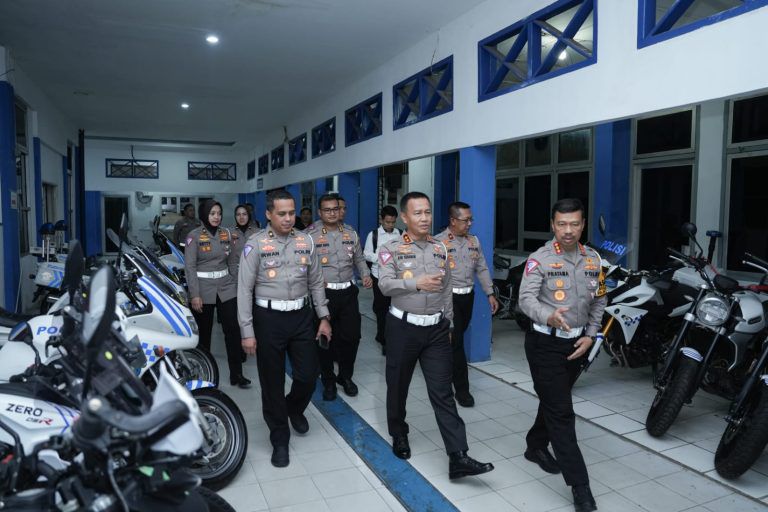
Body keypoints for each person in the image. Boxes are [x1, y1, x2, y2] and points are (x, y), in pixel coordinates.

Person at [378, 191, 494, 480]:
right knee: (398, 386)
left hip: (436, 329)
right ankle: (399, 433)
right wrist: (415, 283)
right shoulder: (391, 248)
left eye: (427, 212)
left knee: (443, 392)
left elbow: (446, 289)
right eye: (417, 213)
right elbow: (385, 285)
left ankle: (458, 456)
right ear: (404, 217)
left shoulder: (440, 248)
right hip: (403, 328)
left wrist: (449, 323)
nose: (424, 218)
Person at [518, 198, 605, 512]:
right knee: (562, 412)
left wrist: (590, 335)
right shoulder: (539, 259)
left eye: (574, 224)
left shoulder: (594, 259)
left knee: (554, 400)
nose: (568, 230)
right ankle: (580, 487)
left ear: (583, 225)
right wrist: (548, 316)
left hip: (577, 345)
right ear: (553, 225)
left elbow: (600, 299)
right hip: (545, 344)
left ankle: (535, 445)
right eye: (562, 224)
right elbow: (526, 300)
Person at [238, 189, 332, 468]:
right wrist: (247, 331)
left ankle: (293, 408)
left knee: (309, 374)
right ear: (269, 214)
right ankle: (279, 438)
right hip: (268, 319)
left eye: (292, 213)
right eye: (282, 214)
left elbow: (316, 282)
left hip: (301, 317)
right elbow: (244, 290)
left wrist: (323, 316)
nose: (288, 218)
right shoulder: (255, 244)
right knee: (272, 382)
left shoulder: (306, 240)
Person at [306, 194, 372, 401]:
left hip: (348, 293)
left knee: (352, 337)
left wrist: (365, 273)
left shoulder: (350, 233)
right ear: (320, 212)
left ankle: (345, 376)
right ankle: (328, 381)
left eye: (335, 209)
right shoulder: (310, 236)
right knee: (324, 339)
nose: (332, 213)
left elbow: (359, 258)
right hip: (324, 295)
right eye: (327, 210)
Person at [435, 202, 499, 408]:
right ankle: (462, 390)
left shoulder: (474, 241)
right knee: (457, 343)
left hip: (467, 298)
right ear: (453, 221)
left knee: (454, 340)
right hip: (448, 299)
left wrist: (490, 293)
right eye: (466, 220)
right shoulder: (438, 243)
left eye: (471, 219)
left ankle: (443, 369)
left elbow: (482, 268)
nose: (469, 223)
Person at [184, 200, 250, 389]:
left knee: (233, 331)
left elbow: (232, 261)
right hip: (203, 290)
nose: (216, 217)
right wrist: (194, 294)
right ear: (205, 214)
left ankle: (237, 374)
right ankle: (204, 375)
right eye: (212, 213)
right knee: (204, 335)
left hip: (226, 287)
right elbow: (190, 267)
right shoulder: (194, 236)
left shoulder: (226, 234)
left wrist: (236, 284)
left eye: (219, 213)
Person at [363, 205, 400, 354]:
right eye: (387, 222)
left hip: (396, 278)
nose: (390, 225)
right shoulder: (373, 235)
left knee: (395, 309)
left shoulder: (400, 234)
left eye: (393, 222)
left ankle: (392, 337)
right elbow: (366, 254)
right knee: (382, 310)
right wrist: (383, 259)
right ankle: (384, 339)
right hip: (379, 276)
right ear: (381, 220)